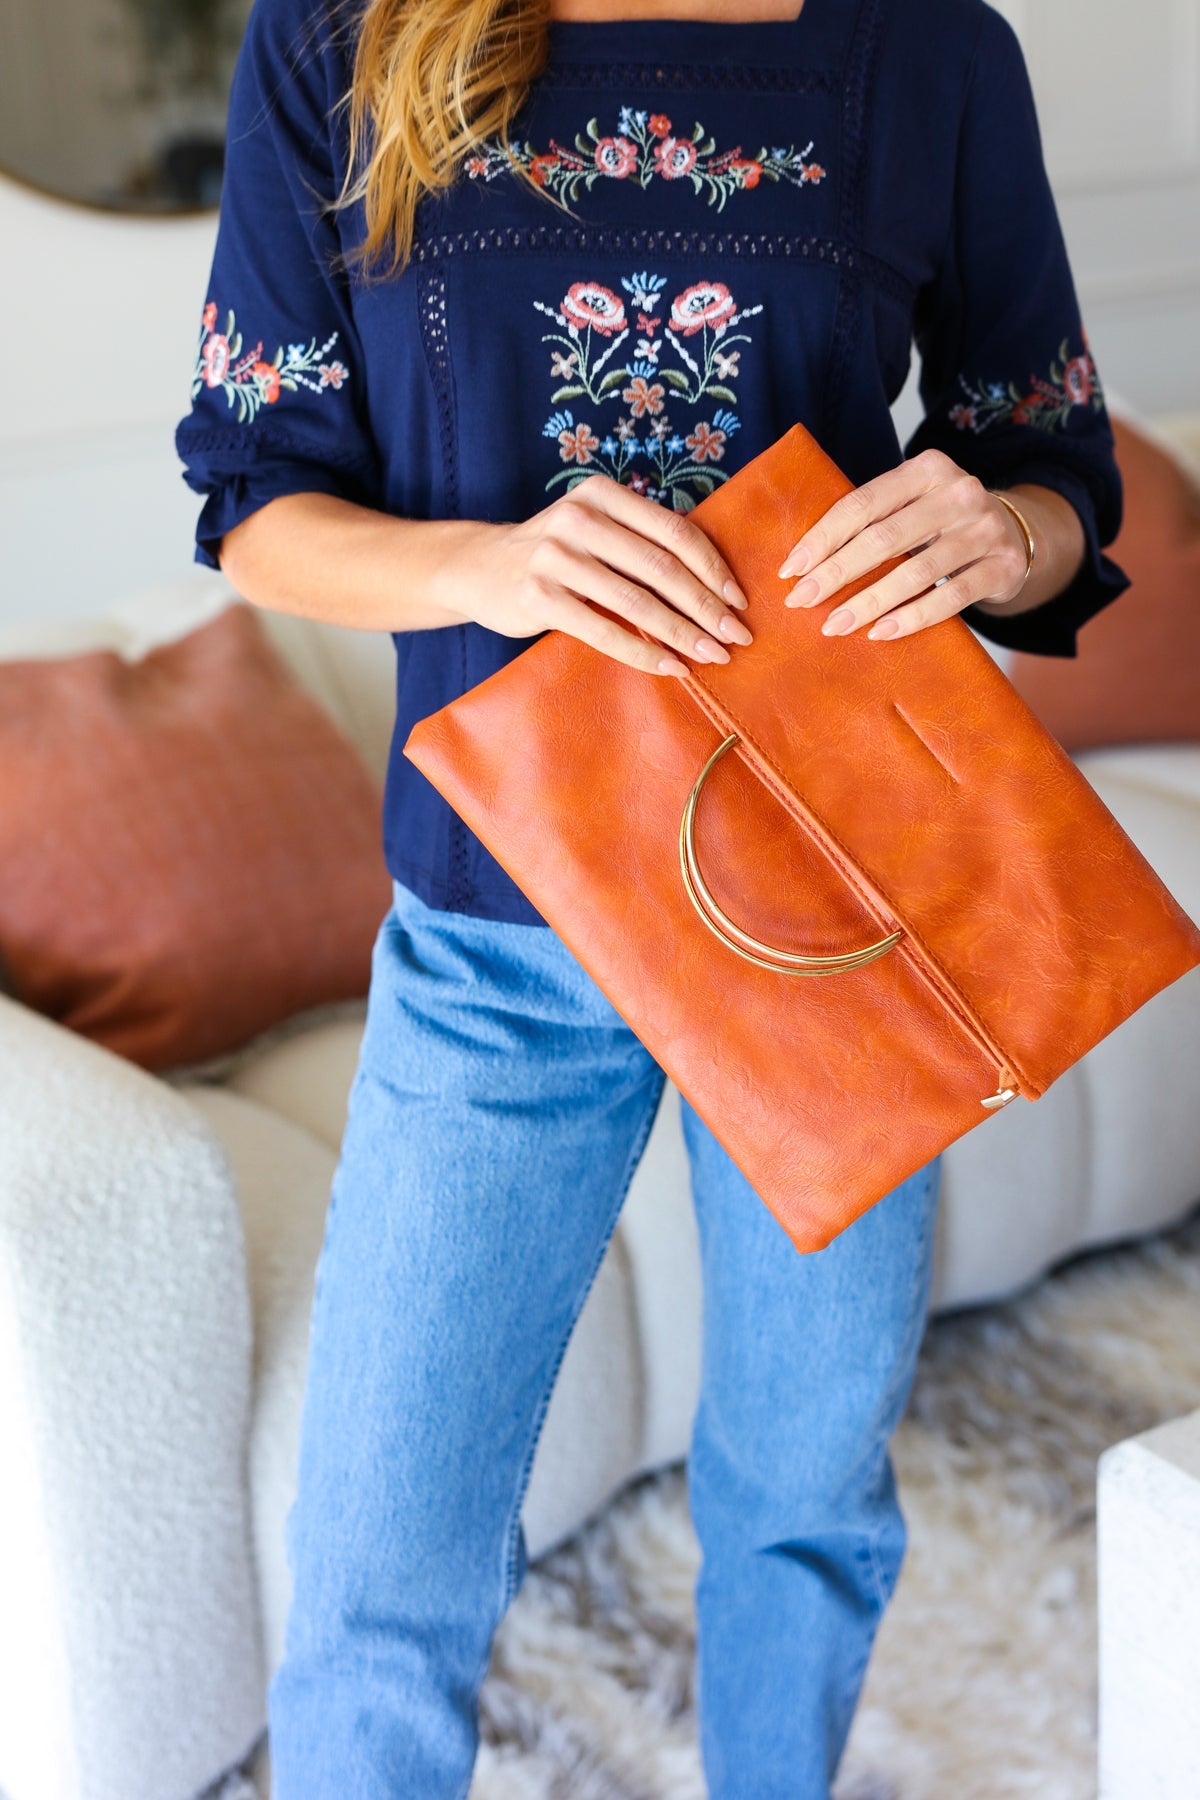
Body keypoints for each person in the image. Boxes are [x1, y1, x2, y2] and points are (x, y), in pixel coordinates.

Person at [175, 0, 1130, 1792]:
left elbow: (1050, 454)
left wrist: (1009, 535)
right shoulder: (341, 37)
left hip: (840, 902)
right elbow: (251, 494)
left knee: (803, 1497)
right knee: (385, 1557)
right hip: (492, 933)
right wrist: (494, 563)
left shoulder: (931, 51)